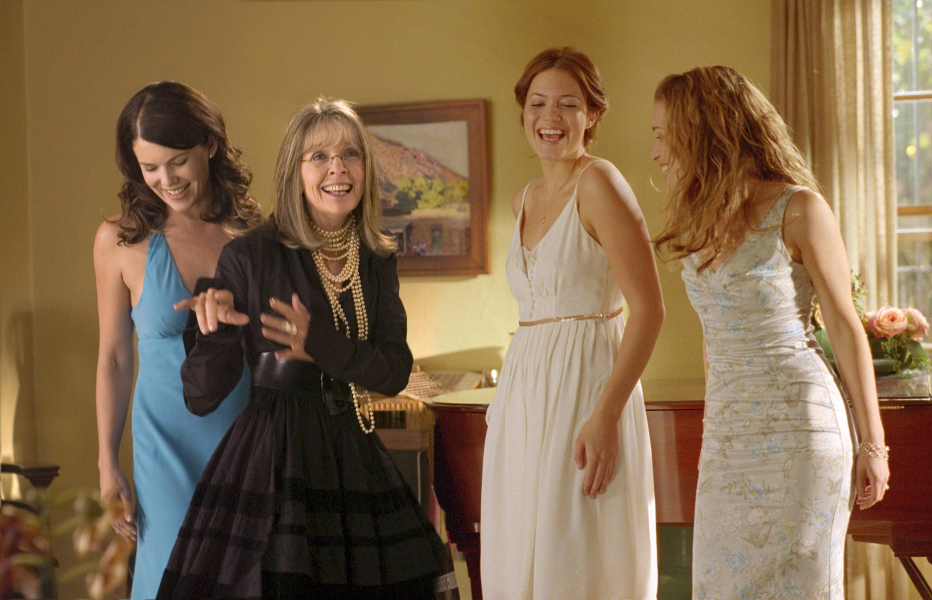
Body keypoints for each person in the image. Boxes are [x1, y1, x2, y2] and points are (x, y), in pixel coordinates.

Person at [156, 98, 456, 600]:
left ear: (365, 168)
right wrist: (217, 330)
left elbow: (394, 372)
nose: (337, 169)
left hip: (352, 448)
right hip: (273, 457)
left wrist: (318, 343)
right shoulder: (250, 254)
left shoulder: (375, 257)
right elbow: (200, 396)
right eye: (319, 156)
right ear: (295, 172)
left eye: (349, 154)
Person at [651, 66, 890, 599]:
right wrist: (715, 429)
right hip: (727, 438)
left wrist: (874, 444)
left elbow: (845, 326)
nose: (657, 153)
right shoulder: (698, 217)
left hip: (800, 429)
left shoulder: (799, 208)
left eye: (665, 135)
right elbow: (713, 336)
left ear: (703, 131)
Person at [480, 47, 664, 600]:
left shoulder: (600, 183)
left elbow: (649, 311)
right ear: (523, 113)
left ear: (592, 115)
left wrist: (606, 416)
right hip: (522, 400)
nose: (550, 117)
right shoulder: (523, 199)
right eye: (538, 103)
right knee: (519, 554)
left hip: (586, 394)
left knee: (579, 555)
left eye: (567, 104)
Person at [93, 81, 261, 599]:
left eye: (178, 162)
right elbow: (114, 358)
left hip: (245, 443)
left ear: (210, 144)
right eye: (150, 167)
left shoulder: (255, 234)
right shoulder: (119, 239)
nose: (166, 180)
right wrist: (106, 461)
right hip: (163, 449)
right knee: (168, 577)